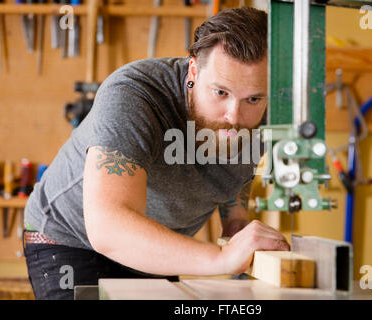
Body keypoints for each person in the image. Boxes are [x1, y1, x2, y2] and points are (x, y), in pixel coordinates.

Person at [23, 6, 290, 300]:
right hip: (71, 241)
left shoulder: (265, 110)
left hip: (160, 247)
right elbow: (108, 228)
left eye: (253, 98)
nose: (234, 115)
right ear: (193, 71)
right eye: (220, 93)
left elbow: (232, 176)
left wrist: (237, 225)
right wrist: (221, 258)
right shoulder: (134, 94)